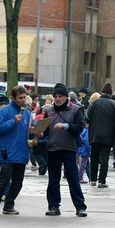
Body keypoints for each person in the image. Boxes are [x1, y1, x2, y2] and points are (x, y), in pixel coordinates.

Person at [0, 85, 36, 215]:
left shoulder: (27, 113)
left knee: (18, 182)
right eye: (20, 98)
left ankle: (9, 204)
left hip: (22, 152)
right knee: (3, 180)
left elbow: (30, 133)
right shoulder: (4, 111)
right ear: (12, 98)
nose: (23, 100)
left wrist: (34, 131)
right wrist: (13, 122)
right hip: (7, 152)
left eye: (24, 97)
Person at [41, 83, 86, 217]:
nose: (57, 99)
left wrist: (66, 126)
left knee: (73, 178)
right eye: (56, 96)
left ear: (66, 97)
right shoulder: (49, 111)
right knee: (53, 179)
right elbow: (45, 130)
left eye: (60, 96)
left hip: (69, 148)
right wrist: (39, 134)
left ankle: (80, 206)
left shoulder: (76, 110)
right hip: (53, 149)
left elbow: (79, 127)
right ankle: (54, 206)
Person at [85, 83, 115, 188]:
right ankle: (102, 180)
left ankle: (92, 179)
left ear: (101, 92)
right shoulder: (114, 104)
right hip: (107, 135)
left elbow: (87, 117)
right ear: (110, 94)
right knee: (105, 158)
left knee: (94, 157)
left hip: (94, 134)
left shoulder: (93, 103)